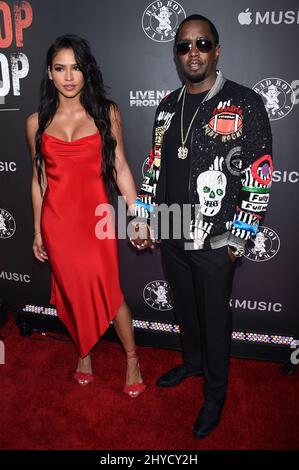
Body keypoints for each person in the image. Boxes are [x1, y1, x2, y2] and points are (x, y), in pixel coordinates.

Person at [132, 15, 272, 435]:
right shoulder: (166, 105)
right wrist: (142, 214)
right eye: (184, 45)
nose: (193, 53)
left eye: (202, 43)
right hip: (172, 230)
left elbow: (259, 174)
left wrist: (239, 239)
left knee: (214, 317)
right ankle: (191, 364)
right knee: (187, 309)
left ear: (217, 50)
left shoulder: (244, 102)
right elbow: (154, 164)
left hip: (215, 238)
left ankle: (215, 393)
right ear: (175, 53)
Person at [27, 34, 145, 397]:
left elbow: (121, 168)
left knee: (110, 291)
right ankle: (83, 353)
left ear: (86, 71)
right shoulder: (36, 122)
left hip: (96, 222)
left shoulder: (106, 113)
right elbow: (39, 180)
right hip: (57, 223)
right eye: (60, 68)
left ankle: (131, 358)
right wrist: (37, 230)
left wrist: (136, 214)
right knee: (71, 291)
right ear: (49, 73)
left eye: (76, 67)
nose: (68, 76)